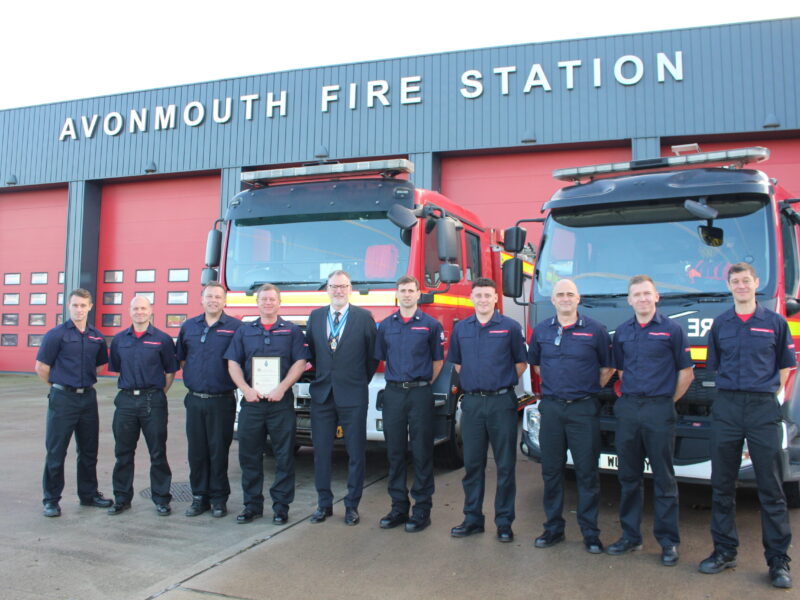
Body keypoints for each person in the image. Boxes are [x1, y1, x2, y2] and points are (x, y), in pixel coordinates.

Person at [699, 263, 794, 589]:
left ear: (756, 283)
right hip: (727, 406)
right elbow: (715, 367)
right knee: (722, 483)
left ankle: (778, 561)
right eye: (735, 281)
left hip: (761, 408)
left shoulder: (775, 323)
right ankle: (724, 551)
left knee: (770, 487)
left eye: (745, 280)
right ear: (729, 286)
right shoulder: (721, 324)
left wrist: (769, 396)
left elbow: (785, 367)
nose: (741, 285)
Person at [607, 274, 694, 565]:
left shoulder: (672, 330)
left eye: (647, 293)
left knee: (663, 478)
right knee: (629, 477)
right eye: (637, 294)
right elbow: (619, 371)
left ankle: (668, 542)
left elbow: (686, 373)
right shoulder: (621, 332)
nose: (642, 299)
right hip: (629, 409)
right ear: (629, 300)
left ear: (657, 297)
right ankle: (630, 537)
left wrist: (667, 403)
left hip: (659, 409)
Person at [528, 278, 614, 553]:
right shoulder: (541, 331)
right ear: (553, 300)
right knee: (551, 472)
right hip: (552, 409)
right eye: (560, 294)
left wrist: (584, 389)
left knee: (587, 473)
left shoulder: (596, 330)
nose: (565, 298)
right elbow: (538, 366)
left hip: (583, 409)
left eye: (570, 294)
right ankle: (553, 529)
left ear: (578, 299)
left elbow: (608, 368)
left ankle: (590, 533)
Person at [447, 277, 527, 543]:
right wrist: (477, 384)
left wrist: (496, 384)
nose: (482, 300)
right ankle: (472, 519)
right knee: (472, 465)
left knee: (505, 465)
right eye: (478, 295)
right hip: (472, 404)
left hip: (501, 403)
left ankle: (504, 522)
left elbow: (520, 364)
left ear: (495, 298)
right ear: (472, 298)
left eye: (487, 295)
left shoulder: (510, 328)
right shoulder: (462, 329)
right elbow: (457, 364)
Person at [225, 283, 309, 525]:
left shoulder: (292, 331)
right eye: (264, 299)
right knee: (249, 457)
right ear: (258, 302)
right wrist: (245, 390)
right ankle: (252, 506)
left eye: (272, 299)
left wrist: (281, 388)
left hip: (280, 404)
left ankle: (281, 507)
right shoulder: (244, 331)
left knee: (284, 457)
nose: (268, 303)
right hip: (252, 404)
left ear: (279, 302)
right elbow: (233, 363)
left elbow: (300, 362)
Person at [305, 270, 378, 526]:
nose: (338, 290)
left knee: (355, 452)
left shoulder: (364, 318)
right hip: (323, 395)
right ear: (327, 288)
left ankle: (351, 506)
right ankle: (323, 505)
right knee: (321, 452)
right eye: (334, 286)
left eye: (343, 286)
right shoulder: (315, 317)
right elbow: (313, 354)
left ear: (350, 289)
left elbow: (372, 358)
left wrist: (357, 381)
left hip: (353, 393)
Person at [374, 275, 444, 532]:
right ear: (397, 294)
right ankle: (398, 508)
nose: (406, 294)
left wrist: (421, 383)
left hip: (419, 394)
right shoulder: (385, 325)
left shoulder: (430, 325)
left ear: (417, 294)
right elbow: (381, 358)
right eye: (402, 290)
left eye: (411, 290)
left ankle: (422, 510)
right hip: (393, 393)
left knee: (422, 452)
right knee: (394, 452)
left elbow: (438, 361)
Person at [34, 288, 113, 517]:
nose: (79, 309)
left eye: (83, 305)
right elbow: (41, 368)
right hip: (63, 399)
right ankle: (51, 500)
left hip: (88, 398)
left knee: (89, 450)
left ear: (90, 307)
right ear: (69, 306)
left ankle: (88, 495)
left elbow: (99, 366)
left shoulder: (96, 337)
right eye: (75, 305)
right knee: (56, 451)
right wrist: (59, 387)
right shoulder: (56, 335)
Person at [107, 295, 179, 516]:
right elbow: (117, 368)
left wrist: (156, 394)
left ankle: (161, 499)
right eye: (135, 308)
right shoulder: (119, 340)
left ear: (151, 311)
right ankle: (121, 498)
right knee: (123, 452)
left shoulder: (163, 339)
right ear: (130, 311)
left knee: (158, 452)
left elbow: (170, 371)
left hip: (153, 400)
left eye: (143, 308)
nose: (139, 312)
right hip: (126, 400)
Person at [176, 282, 242, 518]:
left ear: (225, 301)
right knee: (197, 451)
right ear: (201, 299)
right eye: (209, 296)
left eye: (218, 296)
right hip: (194, 400)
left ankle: (218, 499)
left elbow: (241, 361)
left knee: (218, 451)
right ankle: (198, 497)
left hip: (222, 400)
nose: (213, 300)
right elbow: (182, 360)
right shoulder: (189, 326)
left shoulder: (235, 327)